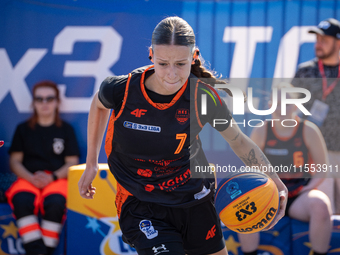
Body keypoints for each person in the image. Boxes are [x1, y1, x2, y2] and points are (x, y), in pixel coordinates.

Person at [78, 16, 288, 255]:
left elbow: (237, 140)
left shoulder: (203, 97)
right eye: (163, 63)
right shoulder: (122, 89)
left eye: (180, 64)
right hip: (141, 203)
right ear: (151, 55)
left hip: (194, 197)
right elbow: (98, 104)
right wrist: (91, 163)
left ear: (193, 56)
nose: (171, 74)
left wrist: (276, 181)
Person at [238, 83, 333, 255]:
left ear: (296, 106)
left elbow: (322, 168)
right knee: (242, 205)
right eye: (277, 103)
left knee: (321, 205)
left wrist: (308, 189)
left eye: (287, 103)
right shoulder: (261, 130)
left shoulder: (309, 130)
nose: (282, 108)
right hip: (270, 195)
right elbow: (250, 168)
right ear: (269, 106)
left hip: (299, 196)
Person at [6, 81, 80, 255]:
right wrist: (30, 178)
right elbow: (14, 161)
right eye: (39, 99)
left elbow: (72, 161)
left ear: (56, 102)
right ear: (34, 102)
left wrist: (52, 177)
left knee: (56, 203)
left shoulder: (66, 130)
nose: (44, 103)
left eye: (49, 98)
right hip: (28, 178)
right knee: (21, 200)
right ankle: (37, 252)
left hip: (56, 179)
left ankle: (44, 252)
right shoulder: (23, 129)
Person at [291, 18, 340, 214]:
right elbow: (289, 107)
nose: (318, 44)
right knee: (325, 209)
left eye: (324, 40)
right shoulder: (305, 71)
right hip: (316, 154)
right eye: (317, 39)